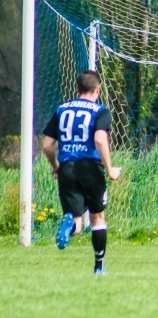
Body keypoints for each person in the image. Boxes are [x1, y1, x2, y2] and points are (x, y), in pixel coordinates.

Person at [42, 70, 122, 275]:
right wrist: (110, 169)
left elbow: (47, 146)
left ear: (77, 88)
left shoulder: (61, 110)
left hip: (67, 168)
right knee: (97, 217)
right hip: (91, 168)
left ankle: (68, 226)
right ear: (98, 90)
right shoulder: (100, 111)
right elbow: (100, 140)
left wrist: (56, 166)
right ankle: (98, 267)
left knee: (76, 221)